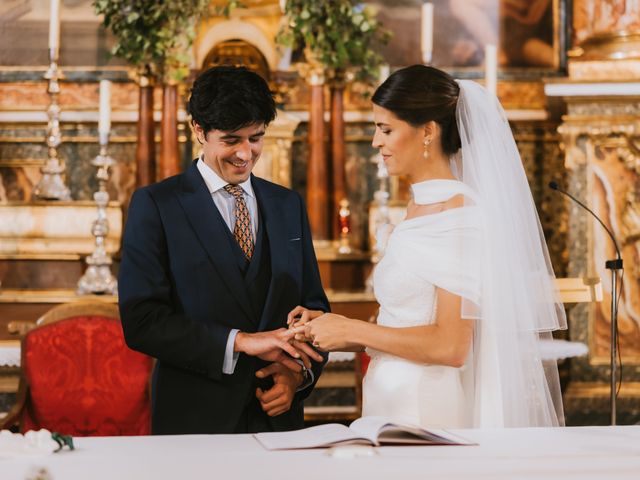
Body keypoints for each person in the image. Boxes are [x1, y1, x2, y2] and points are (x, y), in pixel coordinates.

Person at [291, 65, 567, 428]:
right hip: (392, 401)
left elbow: (451, 346)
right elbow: (406, 322)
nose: (376, 142)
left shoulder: (459, 214)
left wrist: (352, 330)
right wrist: (331, 329)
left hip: (425, 409)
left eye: (386, 129)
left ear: (427, 132)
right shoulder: (418, 206)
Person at [118, 66, 329, 435]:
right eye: (231, 140)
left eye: (256, 138)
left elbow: (315, 310)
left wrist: (297, 378)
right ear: (198, 130)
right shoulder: (156, 205)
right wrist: (242, 342)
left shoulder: (287, 205)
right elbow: (142, 323)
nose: (245, 154)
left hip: (278, 422)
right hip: (194, 420)